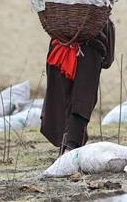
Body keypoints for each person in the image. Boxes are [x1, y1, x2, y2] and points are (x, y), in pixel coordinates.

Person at [41, 19, 115, 154]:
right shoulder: (102, 19)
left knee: (62, 101)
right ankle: (70, 148)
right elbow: (108, 61)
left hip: (58, 55)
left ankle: (67, 147)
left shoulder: (60, 16)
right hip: (87, 57)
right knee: (82, 102)